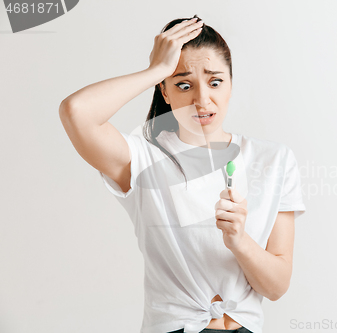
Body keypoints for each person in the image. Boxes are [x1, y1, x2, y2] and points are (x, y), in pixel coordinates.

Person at [59, 14, 306, 333]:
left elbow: (276, 287)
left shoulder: (274, 160)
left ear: (230, 83)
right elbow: (76, 112)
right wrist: (156, 69)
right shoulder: (143, 159)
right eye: (183, 84)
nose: (202, 100)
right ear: (164, 91)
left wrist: (239, 241)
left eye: (215, 82)